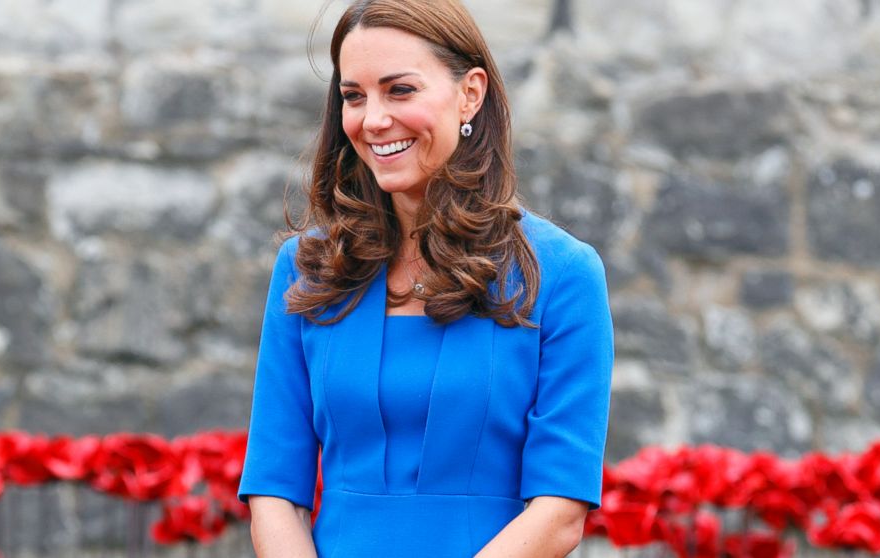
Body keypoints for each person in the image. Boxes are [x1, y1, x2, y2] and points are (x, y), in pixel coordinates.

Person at [238, 1, 613, 556]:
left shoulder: (562, 275)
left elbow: (559, 512)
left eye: (401, 90)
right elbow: (275, 488)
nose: (373, 120)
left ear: (471, 93)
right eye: (353, 95)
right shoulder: (307, 268)